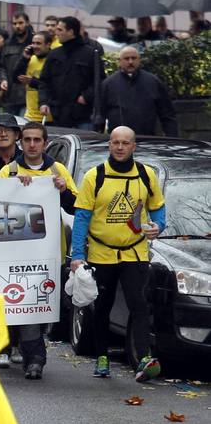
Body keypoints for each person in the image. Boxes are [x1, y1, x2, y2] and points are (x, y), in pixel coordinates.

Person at [69, 126, 165, 382]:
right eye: (115, 143)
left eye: (125, 143)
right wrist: (77, 254)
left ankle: (143, 357)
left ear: (134, 147)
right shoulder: (94, 176)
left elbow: (158, 207)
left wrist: (159, 226)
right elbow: (82, 217)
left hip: (135, 251)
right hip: (102, 253)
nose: (120, 147)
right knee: (103, 305)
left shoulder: (146, 175)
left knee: (139, 303)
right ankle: (102, 356)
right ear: (109, 145)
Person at [0, 122, 78, 379]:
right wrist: (14, 188)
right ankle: (33, 358)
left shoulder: (57, 169)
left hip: (48, 252)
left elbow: (77, 208)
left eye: (37, 140)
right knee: (22, 303)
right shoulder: (8, 171)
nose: (32, 145)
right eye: (28, 140)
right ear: (21, 142)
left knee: (39, 305)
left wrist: (63, 190)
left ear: (44, 143)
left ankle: (33, 354)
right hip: (13, 253)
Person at [96, 47, 178, 137]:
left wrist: (172, 138)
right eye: (126, 59)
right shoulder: (108, 84)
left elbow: (167, 114)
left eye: (133, 58)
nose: (130, 62)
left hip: (147, 139)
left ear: (139, 60)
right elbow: (100, 114)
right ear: (119, 61)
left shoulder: (153, 82)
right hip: (119, 141)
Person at [39, 16, 99, 130]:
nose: (56, 33)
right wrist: (44, 102)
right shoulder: (54, 54)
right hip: (58, 114)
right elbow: (44, 81)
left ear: (71, 32)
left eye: (60, 30)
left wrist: (86, 96)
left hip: (82, 114)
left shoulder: (90, 54)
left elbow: (99, 80)